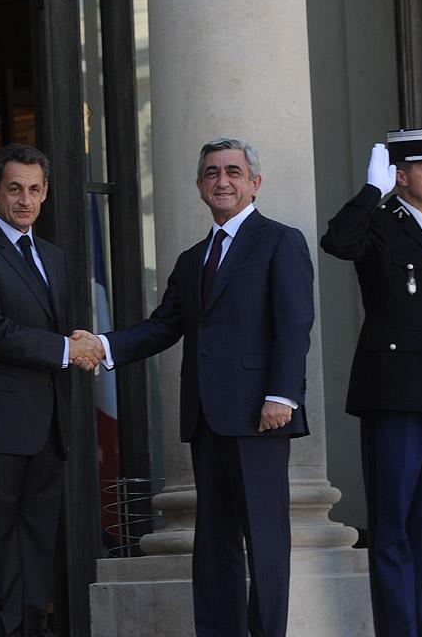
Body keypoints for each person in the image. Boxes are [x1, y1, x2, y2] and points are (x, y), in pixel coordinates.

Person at [75, 137, 314, 636]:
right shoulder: (192, 259)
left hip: (261, 416)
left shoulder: (280, 240)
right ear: (200, 186)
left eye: (233, 172)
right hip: (206, 417)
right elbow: (163, 326)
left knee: (266, 542)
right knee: (214, 544)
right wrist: (103, 344)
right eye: (211, 173)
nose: (221, 181)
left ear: (255, 183)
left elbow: (294, 324)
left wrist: (282, 395)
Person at [0, 142, 103, 637]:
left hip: (47, 425)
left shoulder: (54, 257)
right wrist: (67, 349)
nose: (25, 200)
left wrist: (80, 343)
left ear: (46, 192)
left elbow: (60, 328)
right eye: (15, 189)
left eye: (34, 190)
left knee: (36, 546)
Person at [320, 129, 422, 637]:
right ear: (400, 176)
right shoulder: (379, 222)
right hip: (394, 394)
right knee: (394, 528)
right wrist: (370, 193)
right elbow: (337, 241)